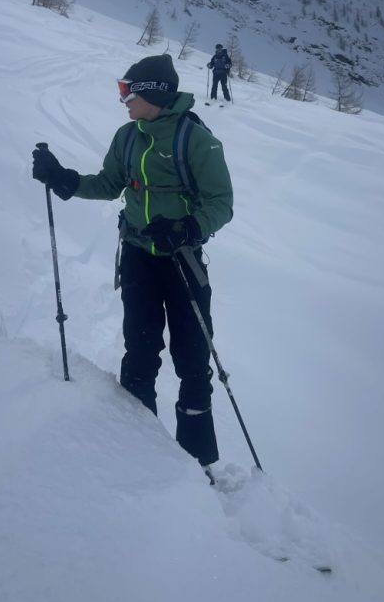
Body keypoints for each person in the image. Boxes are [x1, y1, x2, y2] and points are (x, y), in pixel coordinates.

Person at [32, 54, 233, 472]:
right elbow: (108, 185)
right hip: (140, 258)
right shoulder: (127, 136)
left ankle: (199, 464)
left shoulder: (196, 140)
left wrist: (187, 228)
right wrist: (64, 180)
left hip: (182, 262)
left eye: (128, 91)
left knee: (193, 361)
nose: (122, 99)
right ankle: (136, 454)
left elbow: (221, 203)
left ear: (153, 94)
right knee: (139, 354)